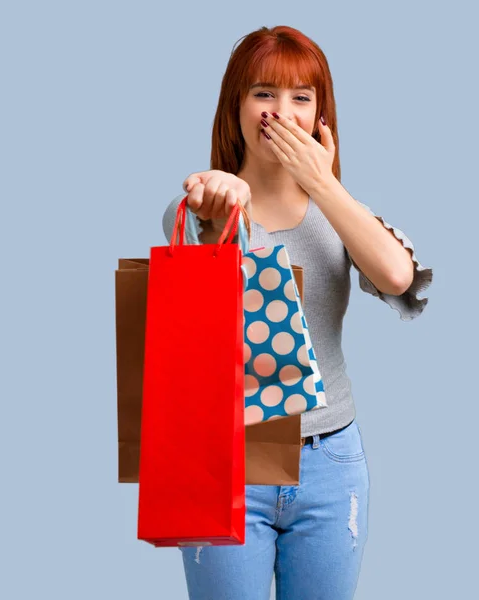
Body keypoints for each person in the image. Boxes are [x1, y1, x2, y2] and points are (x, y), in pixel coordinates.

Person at [162, 25, 433, 600]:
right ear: (235, 106)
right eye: (263, 93)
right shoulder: (202, 206)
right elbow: (208, 264)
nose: (280, 113)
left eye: (300, 98)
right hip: (229, 459)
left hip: (331, 463)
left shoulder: (342, 217)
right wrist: (214, 209)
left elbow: (396, 276)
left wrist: (322, 183)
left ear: (319, 116)